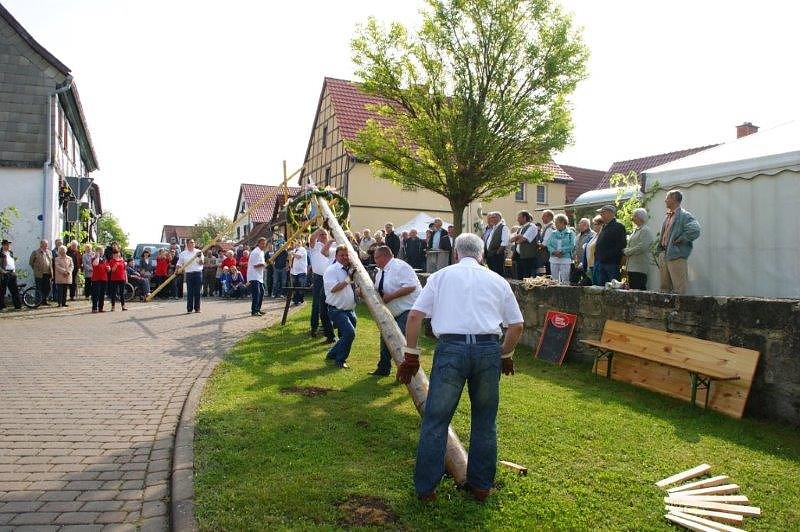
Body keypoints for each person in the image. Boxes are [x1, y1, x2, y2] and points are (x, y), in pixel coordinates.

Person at [398, 233, 524, 502]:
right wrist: (505, 354)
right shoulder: (497, 279)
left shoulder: (441, 277)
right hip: (488, 349)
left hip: (451, 349)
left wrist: (411, 355)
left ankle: (426, 490)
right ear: (481, 255)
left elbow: (415, 316)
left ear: (456, 253)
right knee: (485, 421)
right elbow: (516, 326)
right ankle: (481, 487)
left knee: (436, 420)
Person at [370, 246, 422, 377]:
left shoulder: (400, 266)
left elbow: (411, 286)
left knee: (400, 340)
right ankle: (383, 368)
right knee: (386, 336)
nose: (374, 260)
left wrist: (390, 296)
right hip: (392, 311)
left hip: (408, 309)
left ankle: (408, 372)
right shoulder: (381, 272)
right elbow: (378, 291)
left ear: (384, 256)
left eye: (376, 257)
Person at [657, 190, 701, 295]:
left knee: (679, 287)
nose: (665, 200)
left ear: (674, 199)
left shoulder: (684, 215)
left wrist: (682, 238)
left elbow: (695, 230)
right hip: (664, 254)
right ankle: (664, 310)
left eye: (667, 198)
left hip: (676, 255)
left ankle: (680, 310)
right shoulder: (668, 215)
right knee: (664, 287)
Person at [323, 245, 357, 369]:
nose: (344, 257)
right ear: (336, 256)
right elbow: (333, 288)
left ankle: (332, 354)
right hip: (336, 310)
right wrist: (349, 279)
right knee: (349, 334)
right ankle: (340, 360)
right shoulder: (331, 270)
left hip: (350, 310)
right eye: (341, 255)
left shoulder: (350, 270)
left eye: (346, 255)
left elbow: (351, 287)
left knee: (346, 336)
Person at [309, 229, 336, 343]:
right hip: (319, 277)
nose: (324, 236)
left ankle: (328, 327)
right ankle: (314, 328)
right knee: (316, 303)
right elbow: (311, 239)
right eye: (321, 235)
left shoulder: (333, 245)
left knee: (330, 303)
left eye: (325, 234)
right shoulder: (315, 245)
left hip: (331, 278)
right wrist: (319, 229)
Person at [592, 205, 627, 286]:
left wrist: (607, 256)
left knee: (613, 287)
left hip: (612, 263)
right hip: (601, 263)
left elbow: (621, 245)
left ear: (610, 213)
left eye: (603, 213)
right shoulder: (604, 226)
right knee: (601, 286)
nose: (601, 215)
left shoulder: (618, 227)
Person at [624, 208, 655, 290]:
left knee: (639, 288)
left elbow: (642, 247)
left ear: (640, 217)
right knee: (632, 288)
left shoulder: (645, 230)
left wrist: (628, 251)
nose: (632, 218)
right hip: (632, 266)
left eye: (634, 216)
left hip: (639, 267)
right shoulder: (636, 230)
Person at [545, 214, 575, 285]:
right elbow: (549, 244)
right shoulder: (553, 233)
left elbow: (572, 245)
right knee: (555, 280)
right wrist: (554, 252)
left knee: (565, 279)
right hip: (554, 258)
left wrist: (562, 251)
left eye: (557, 222)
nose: (555, 224)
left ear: (563, 222)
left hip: (565, 258)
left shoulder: (570, 233)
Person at [177, 239, 204, 313]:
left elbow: (202, 263)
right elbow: (179, 264)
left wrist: (198, 257)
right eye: (191, 242)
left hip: (198, 273)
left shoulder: (199, 252)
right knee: (190, 292)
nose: (193, 243)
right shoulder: (183, 253)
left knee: (197, 292)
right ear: (187, 244)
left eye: (193, 242)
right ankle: (189, 309)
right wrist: (177, 270)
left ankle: (197, 308)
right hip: (189, 274)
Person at [509, 211, 538, 279]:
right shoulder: (521, 228)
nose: (517, 219)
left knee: (526, 277)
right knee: (519, 277)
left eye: (519, 218)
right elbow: (511, 240)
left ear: (524, 218)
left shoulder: (532, 226)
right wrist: (518, 237)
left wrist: (518, 237)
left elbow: (522, 239)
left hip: (528, 257)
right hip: (519, 256)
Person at [483, 212, 509, 276]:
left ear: (499, 218)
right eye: (491, 217)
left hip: (496, 254)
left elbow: (504, 242)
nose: (491, 219)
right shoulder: (494, 228)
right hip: (490, 254)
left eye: (493, 217)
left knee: (498, 273)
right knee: (492, 273)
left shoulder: (503, 227)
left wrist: (498, 252)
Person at [570, 218, 594, 285]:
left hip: (588, 262)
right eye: (579, 224)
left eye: (580, 224)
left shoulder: (592, 235)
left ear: (586, 225)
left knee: (588, 280)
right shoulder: (578, 236)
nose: (579, 225)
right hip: (579, 262)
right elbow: (575, 248)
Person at [247, 238, 267, 316]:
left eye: (264, 244)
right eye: (262, 243)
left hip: (259, 276)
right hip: (254, 275)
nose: (263, 245)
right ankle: (254, 311)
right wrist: (264, 264)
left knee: (261, 292)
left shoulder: (261, 252)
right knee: (257, 293)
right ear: (258, 243)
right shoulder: (255, 252)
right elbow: (255, 265)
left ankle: (258, 309)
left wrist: (264, 264)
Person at [29, 239, 53, 305]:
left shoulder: (49, 252)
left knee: (48, 288)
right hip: (39, 274)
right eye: (45, 244)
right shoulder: (35, 252)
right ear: (41, 244)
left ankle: (44, 300)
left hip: (47, 273)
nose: (46, 245)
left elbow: (51, 262)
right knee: (39, 288)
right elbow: (31, 262)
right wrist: (36, 269)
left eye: (47, 244)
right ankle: (38, 302)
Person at [0, 239, 22, 310]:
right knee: (2, 291)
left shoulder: (11, 253)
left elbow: (12, 262)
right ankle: (1, 306)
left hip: (12, 273)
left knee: (14, 290)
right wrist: (2, 271)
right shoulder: (0, 253)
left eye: (9, 244)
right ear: (3, 245)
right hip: (4, 273)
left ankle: (18, 306)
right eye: (7, 244)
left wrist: (14, 272)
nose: (8, 246)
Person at [107, 244, 127, 311]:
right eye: (114, 254)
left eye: (117, 253)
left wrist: (126, 278)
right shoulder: (111, 261)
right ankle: (113, 306)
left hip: (122, 279)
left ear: (119, 254)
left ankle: (123, 306)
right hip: (114, 279)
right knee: (114, 293)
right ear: (113, 255)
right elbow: (111, 270)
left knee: (122, 293)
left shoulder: (122, 261)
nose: (116, 255)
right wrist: (114, 266)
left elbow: (124, 270)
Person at [585, 216, 604, 285]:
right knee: (593, 284)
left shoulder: (602, 236)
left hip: (597, 264)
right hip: (590, 265)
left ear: (601, 225)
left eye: (596, 224)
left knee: (598, 285)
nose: (594, 226)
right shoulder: (594, 235)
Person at [289, 240, 308, 305]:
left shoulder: (303, 249)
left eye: (298, 242)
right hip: (294, 271)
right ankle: (295, 300)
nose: (296, 243)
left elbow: (298, 256)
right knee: (295, 286)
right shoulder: (294, 250)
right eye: (295, 242)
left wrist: (292, 253)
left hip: (301, 271)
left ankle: (300, 299)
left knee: (301, 286)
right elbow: (291, 259)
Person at [90, 244, 108, 312]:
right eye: (101, 251)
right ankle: (94, 308)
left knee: (102, 294)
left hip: (104, 278)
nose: (102, 252)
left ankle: (101, 308)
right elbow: (95, 264)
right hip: (96, 279)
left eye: (103, 251)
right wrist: (97, 256)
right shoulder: (94, 258)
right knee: (96, 294)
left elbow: (106, 267)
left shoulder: (104, 259)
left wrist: (108, 268)